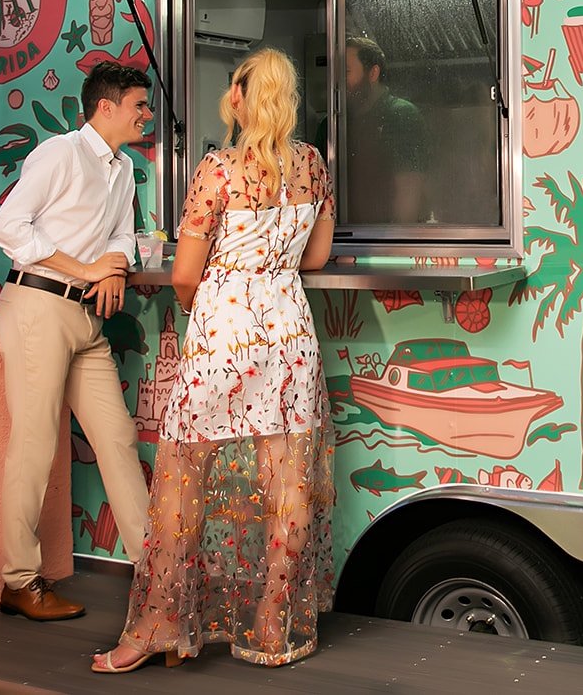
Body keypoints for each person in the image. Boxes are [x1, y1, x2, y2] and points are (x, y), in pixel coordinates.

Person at [92, 46, 336, 672]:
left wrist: (227, 288)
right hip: (289, 337)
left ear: (239, 98)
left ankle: (159, 628)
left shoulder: (217, 170)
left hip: (223, 336)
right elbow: (315, 258)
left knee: (183, 481)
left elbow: (183, 274)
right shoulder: (313, 166)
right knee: (288, 486)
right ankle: (273, 624)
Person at [0, 61, 153, 622]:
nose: (147, 115)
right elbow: (8, 228)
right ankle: (19, 581)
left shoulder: (124, 168)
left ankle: (156, 581)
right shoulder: (60, 153)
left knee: (118, 440)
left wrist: (112, 271)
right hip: (37, 308)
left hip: (86, 321)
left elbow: (121, 238)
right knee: (35, 446)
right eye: (139, 105)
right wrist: (88, 269)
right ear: (106, 108)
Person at [343, 35, 427, 224]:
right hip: (346, 239)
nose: (337, 81)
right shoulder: (332, 124)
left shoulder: (400, 115)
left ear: (373, 73)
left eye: (346, 71)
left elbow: (409, 188)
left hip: (385, 238)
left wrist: (396, 244)